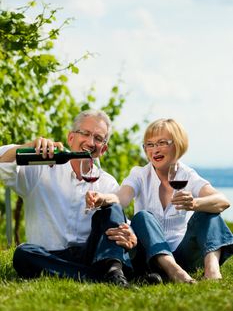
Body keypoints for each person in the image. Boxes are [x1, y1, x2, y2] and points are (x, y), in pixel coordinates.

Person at [0, 109, 137, 287]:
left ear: (103, 149)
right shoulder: (41, 167)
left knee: (112, 206)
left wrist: (130, 235)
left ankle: (111, 270)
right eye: (85, 134)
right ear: (71, 138)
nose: (90, 142)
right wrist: (29, 146)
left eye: (98, 138)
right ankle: (103, 277)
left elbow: (119, 222)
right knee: (24, 253)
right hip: (47, 255)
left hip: (90, 255)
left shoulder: (107, 183)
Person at [86, 118, 232, 283]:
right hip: (148, 254)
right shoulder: (140, 174)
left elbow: (223, 201)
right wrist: (103, 197)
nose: (155, 150)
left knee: (209, 212)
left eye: (162, 143)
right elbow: (121, 198)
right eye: (149, 144)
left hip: (182, 254)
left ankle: (212, 271)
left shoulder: (187, 175)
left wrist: (195, 204)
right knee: (142, 217)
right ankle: (173, 271)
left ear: (177, 144)